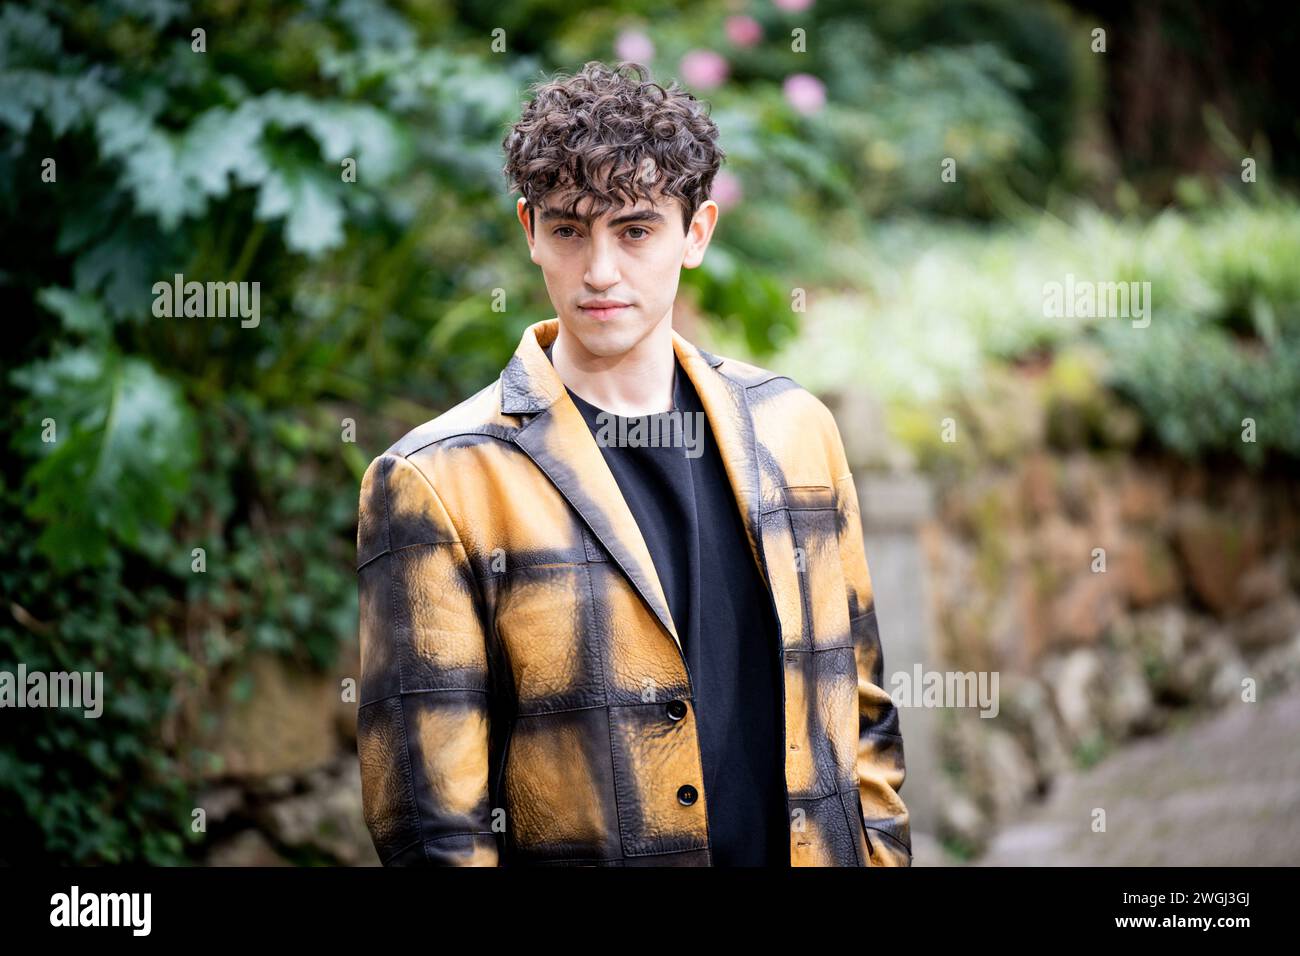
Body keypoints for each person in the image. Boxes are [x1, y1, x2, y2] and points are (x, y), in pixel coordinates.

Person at [355, 60, 910, 867]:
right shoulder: (439, 481)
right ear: (530, 232)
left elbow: (861, 715)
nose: (601, 271)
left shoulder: (797, 431)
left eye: (636, 229)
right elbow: (431, 823)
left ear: (697, 233)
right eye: (571, 229)